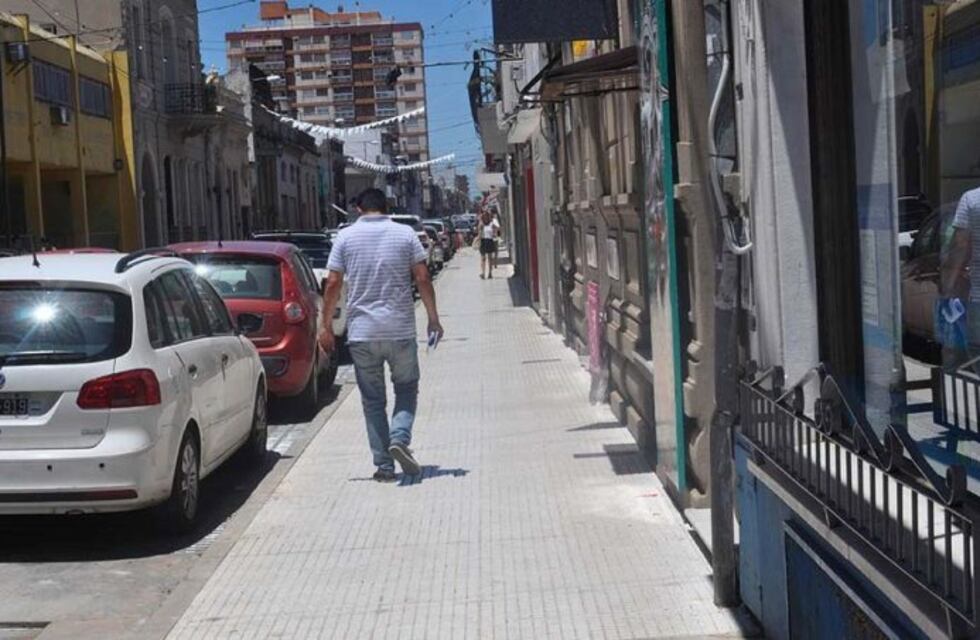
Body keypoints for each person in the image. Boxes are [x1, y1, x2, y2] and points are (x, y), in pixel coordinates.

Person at [319, 189, 444, 482]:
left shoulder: (345, 237)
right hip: (399, 329)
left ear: (359, 209)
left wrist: (326, 326)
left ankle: (385, 467)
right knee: (406, 389)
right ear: (387, 207)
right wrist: (433, 319)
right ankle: (399, 437)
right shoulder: (405, 234)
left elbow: (333, 282)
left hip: (362, 333)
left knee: (373, 401)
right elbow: (422, 277)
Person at [477, 210, 500, 279]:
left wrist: (494, 231)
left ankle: (490, 273)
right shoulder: (481, 224)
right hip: (483, 241)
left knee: (490, 258)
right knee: (483, 258)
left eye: (487, 215)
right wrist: (478, 241)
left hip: (490, 240)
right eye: (484, 216)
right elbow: (479, 233)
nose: (485, 217)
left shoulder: (491, 223)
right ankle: (483, 273)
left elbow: (498, 228)